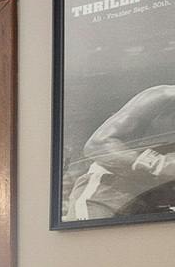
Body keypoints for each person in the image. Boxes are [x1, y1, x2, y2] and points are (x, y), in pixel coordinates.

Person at [65, 84, 175, 220]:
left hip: (155, 201)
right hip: (109, 190)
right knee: (87, 233)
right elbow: (98, 145)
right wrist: (160, 164)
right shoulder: (165, 96)